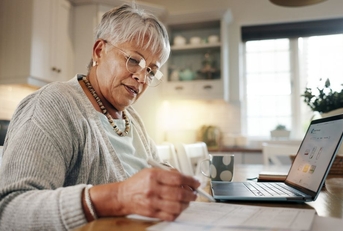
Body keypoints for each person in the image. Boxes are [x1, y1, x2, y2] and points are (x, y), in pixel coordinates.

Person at [0, 4, 201, 230]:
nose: (141, 77)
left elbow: (149, 168)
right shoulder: (52, 105)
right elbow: (11, 211)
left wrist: (168, 183)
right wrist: (116, 197)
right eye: (134, 60)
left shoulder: (132, 119)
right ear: (99, 51)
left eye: (151, 71)